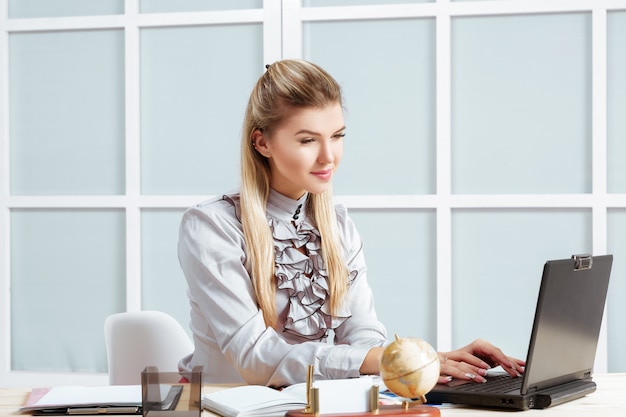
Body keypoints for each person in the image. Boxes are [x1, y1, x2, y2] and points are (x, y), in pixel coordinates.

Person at [177, 59, 525, 388]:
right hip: (223, 407)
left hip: (308, 404)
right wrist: (384, 359)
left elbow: (364, 335)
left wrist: (420, 363)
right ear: (262, 142)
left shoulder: (336, 224)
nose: (329, 156)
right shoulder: (212, 227)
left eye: (338, 136)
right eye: (307, 140)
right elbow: (254, 358)